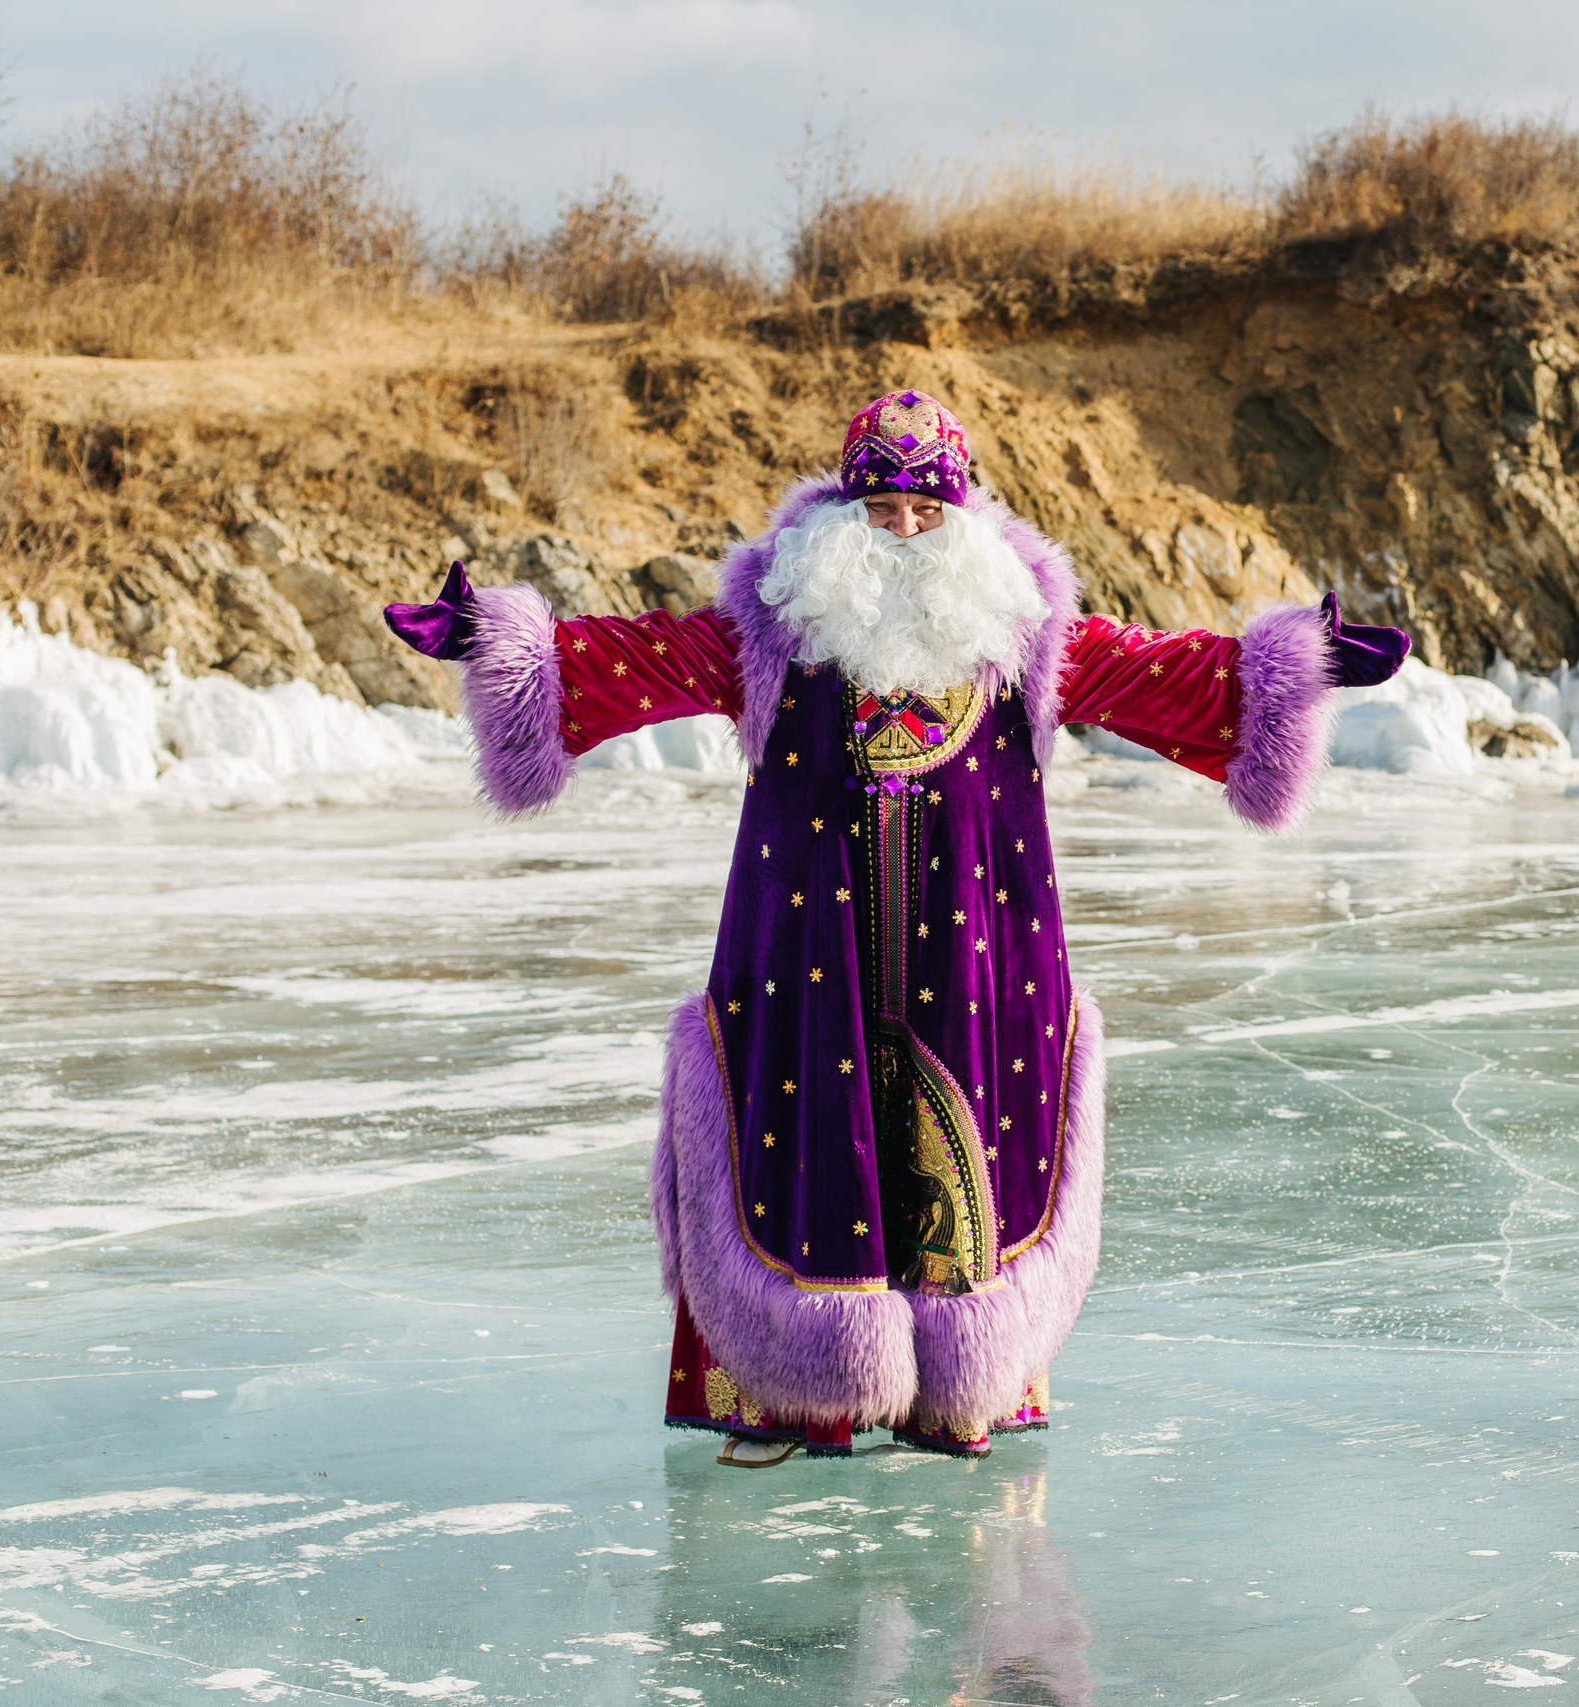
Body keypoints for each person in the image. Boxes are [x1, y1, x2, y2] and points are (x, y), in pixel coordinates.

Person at [386, 390, 1406, 1466]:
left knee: (975, 1145)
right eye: (882, 513)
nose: (905, 535)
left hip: (983, 948)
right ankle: (804, 1397)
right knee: (807, 1143)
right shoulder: (775, 634)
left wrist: (1298, 670)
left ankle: (962, 1392)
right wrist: (501, 648)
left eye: (927, 515)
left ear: (964, 521)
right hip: (803, 950)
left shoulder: (1024, 638)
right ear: (841, 516)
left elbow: (1170, 677)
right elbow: (633, 661)